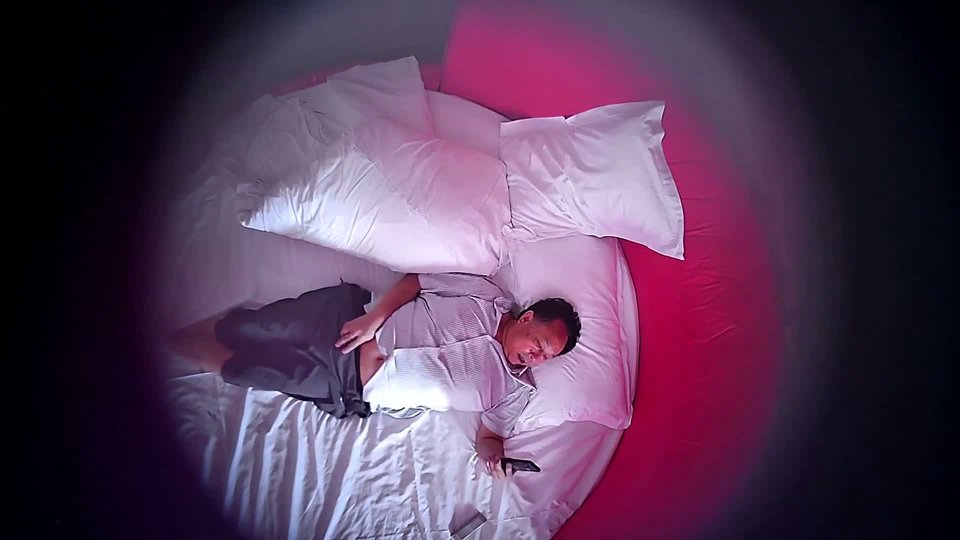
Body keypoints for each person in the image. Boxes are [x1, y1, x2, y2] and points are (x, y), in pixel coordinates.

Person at [167, 273, 581, 479]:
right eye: (540, 344)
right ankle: (182, 333)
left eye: (546, 357)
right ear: (527, 318)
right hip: (346, 321)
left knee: (246, 370)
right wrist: (373, 319)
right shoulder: (486, 294)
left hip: (349, 386)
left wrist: (493, 458)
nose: (537, 357)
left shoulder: (516, 391)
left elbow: (489, 437)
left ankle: (167, 343)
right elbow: (417, 281)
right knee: (250, 328)